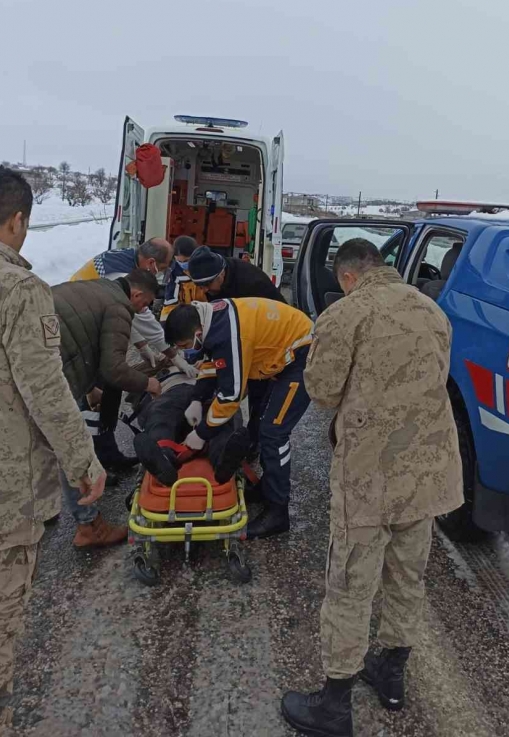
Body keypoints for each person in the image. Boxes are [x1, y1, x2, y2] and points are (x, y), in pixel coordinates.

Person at [0, 167, 104, 737]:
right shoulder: (18, 289)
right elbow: (46, 391)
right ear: (16, 221)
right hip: (0, 490)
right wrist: (84, 462)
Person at [281, 239, 464, 737]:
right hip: (429, 470)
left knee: (350, 583)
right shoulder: (433, 310)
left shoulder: (346, 314)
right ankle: (391, 673)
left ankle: (335, 704)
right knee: (408, 574)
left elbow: (321, 392)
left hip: (370, 476)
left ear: (346, 277)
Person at [152, 297, 313, 538]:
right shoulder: (208, 318)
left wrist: (202, 433)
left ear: (196, 332)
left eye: (185, 344)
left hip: (302, 357)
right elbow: (212, 363)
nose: (185, 351)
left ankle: (278, 513)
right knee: (259, 423)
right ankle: (267, 489)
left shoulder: (228, 335)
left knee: (274, 433)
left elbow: (230, 396)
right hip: (281, 350)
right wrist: (197, 398)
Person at [52, 268, 163, 547]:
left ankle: (38, 510)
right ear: (136, 294)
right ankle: (89, 527)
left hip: (34, 362)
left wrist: (89, 388)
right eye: (146, 303)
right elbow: (113, 369)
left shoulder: (100, 287)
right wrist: (149, 384)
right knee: (71, 446)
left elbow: (77, 337)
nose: (143, 309)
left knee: (36, 444)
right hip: (47, 376)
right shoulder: (120, 306)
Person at [161, 244, 287, 463]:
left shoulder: (251, 283)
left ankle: (254, 446)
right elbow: (215, 331)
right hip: (244, 336)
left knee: (261, 401)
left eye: (208, 285)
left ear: (221, 274)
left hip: (271, 345)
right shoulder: (214, 285)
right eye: (201, 286)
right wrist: (198, 397)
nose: (206, 290)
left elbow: (233, 386)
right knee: (228, 378)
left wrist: (202, 433)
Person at [71, 237, 180, 465]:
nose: (160, 273)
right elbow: (139, 315)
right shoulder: (119, 276)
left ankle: (108, 455)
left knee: (108, 392)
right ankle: (90, 465)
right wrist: (172, 355)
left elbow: (128, 313)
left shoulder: (128, 262)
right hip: (81, 332)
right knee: (92, 400)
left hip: (91, 323)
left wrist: (142, 347)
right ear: (151, 263)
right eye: (161, 268)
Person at [160, 235, 198, 322]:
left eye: (186, 261)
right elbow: (170, 302)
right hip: (187, 317)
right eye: (179, 261)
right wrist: (165, 324)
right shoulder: (173, 273)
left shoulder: (207, 268)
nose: (183, 264)